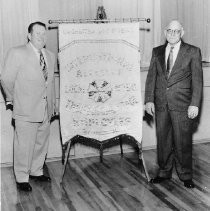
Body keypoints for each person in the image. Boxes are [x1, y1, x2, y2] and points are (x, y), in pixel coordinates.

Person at [145, 20, 203, 188]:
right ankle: (163, 172)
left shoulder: (192, 52)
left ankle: (186, 175)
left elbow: (198, 81)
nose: (172, 34)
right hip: (161, 104)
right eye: (169, 30)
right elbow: (151, 78)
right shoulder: (157, 52)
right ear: (165, 32)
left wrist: (195, 104)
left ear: (181, 33)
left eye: (176, 31)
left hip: (183, 105)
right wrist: (149, 99)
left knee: (182, 142)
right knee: (163, 141)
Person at [1, 21, 56, 192]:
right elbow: (6, 79)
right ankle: (22, 177)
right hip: (25, 109)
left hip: (45, 109)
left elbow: (50, 83)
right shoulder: (17, 53)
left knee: (41, 143)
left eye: (43, 34)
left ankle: (36, 171)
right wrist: (13, 99)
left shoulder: (50, 55)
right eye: (37, 33)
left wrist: (53, 105)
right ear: (29, 35)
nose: (41, 36)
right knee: (24, 145)